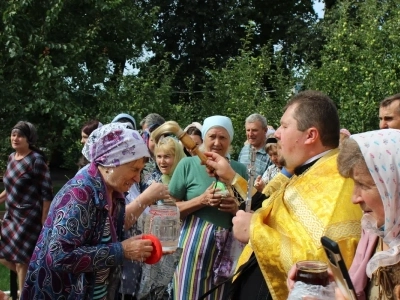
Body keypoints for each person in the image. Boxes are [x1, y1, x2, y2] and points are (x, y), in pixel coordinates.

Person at [204, 91, 363, 300]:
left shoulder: (339, 183)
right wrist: (231, 177)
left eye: (285, 126)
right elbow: (266, 204)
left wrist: (255, 232)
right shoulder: (306, 171)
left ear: (310, 135)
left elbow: (323, 266)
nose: (277, 133)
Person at [21, 123, 165, 299]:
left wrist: (138, 247)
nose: (137, 178)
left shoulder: (115, 194)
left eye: (140, 171)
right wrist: (121, 251)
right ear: (112, 161)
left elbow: (102, 242)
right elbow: (59, 256)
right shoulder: (80, 195)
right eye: (134, 169)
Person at [288, 129, 400, 299]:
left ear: (394, 185)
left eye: (363, 185)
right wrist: (327, 289)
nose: (354, 198)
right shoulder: (374, 231)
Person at [168, 115, 248, 300]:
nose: (217, 142)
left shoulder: (239, 170)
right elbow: (168, 210)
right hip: (193, 245)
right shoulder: (187, 165)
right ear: (204, 138)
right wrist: (201, 200)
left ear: (230, 141)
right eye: (212, 136)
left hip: (229, 248)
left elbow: (247, 210)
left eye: (223, 137)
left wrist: (235, 208)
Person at [119, 136, 186, 299]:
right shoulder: (152, 182)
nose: (162, 161)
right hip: (136, 260)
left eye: (167, 156)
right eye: (159, 156)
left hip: (165, 249)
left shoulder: (184, 178)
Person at [0, 121, 53, 292]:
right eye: (13, 134)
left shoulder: (36, 161)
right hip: (11, 216)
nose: (15, 138)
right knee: (5, 256)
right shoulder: (11, 158)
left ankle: (25, 294)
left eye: (20, 135)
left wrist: (44, 218)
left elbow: (47, 193)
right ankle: (37, 281)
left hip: (28, 218)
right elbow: (10, 187)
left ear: (29, 139)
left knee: (21, 261)